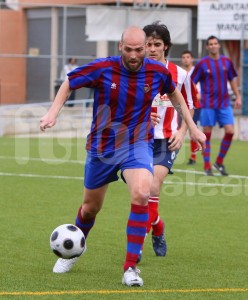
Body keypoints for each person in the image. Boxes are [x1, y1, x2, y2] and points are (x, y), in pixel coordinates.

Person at [40, 26, 206, 287]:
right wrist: (53, 113)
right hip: (102, 147)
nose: (134, 55)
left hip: (137, 144)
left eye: (139, 50)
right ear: (120, 47)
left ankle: (130, 267)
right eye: (128, 49)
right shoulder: (103, 67)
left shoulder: (157, 71)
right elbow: (69, 83)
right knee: (90, 208)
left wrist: (192, 128)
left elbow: (177, 96)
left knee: (142, 192)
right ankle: (74, 249)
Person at [138, 22, 199, 262]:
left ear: (166, 47)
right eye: (148, 44)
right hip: (138, 140)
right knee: (141, 193)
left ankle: (138, 244)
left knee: (152, 186)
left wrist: (182, 132)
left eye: (156, 44)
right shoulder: (135, 71)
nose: (151, 49)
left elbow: (190, 106)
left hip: (167, 140)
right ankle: (158, 226)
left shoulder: (180, 74)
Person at [191, 35, 242, 176]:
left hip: (224, 103)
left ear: (219, 45)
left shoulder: (226, 62)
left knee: (230, 131)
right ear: (207, 47)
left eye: (215, 43)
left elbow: (232, 80)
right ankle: (207, 166)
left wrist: (238, 96)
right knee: (207, 133)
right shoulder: (202, 64)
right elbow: (192, 82)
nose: (213, 46)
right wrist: (196, 95)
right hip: (207, 104)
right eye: (210, 44)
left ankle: (219, 162)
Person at [181, 50, 201, 166]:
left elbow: (199, 93)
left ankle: (193, 156)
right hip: (180, 106)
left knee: (193, 129)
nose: (186, 59)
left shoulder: (196, 72)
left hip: (195, 106)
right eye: (183, 57)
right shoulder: (181, 72)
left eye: (188, 57)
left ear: (192, 59)